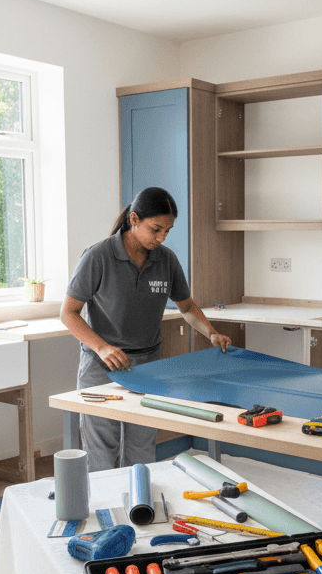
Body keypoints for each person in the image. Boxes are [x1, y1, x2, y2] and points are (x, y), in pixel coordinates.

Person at [60, 186, 232, 471]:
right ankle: (106, 500)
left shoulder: (167, 260)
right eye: (156, 229)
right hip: (102, 366)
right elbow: (68, 313)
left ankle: (137, 498)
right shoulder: (97, 256)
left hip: (148, 367)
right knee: (101, 451)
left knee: (141, 448)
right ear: (134, 219)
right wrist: (102, 347)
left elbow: (187, 306)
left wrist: (211, 332)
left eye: (167, 231)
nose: (162, 237)